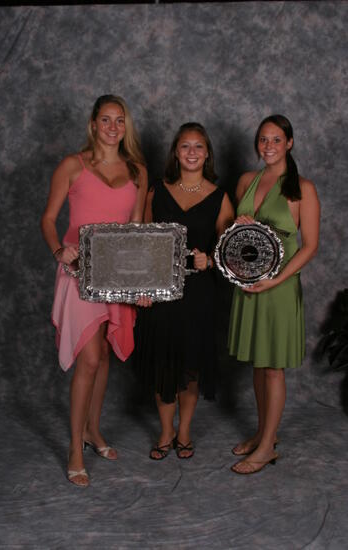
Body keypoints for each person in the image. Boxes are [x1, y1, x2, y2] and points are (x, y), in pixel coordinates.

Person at [41, 95, 148, 487]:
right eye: (106, 119)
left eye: (119, 120)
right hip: (79, 271)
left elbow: (138, 234)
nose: (113, 127)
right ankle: (74, 447)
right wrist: (58, 249)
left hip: (117, 275)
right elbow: (49, 219)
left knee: (103, 354)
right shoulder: (73, 165)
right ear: (93, 123)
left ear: (126, 126)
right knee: (88, 357)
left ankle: (93, 430)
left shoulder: (138, 171)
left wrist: (141, 284)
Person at [134, 122, 234, 460]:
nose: (191, 152)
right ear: (176, 153)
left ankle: (185, 430)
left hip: (199, 294)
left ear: (207, 154)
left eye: (198, 147)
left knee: (191, 366)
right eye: (185, 146)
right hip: (162, 293)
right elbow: (143, 245)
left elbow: (229, 253)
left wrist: (211, 261)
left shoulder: (220, 197)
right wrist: (143, 288)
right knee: (165, 365)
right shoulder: (157, 192)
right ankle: (165, 431)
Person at [228, 114, 320, 474]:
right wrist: (236, 224)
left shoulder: (303, 189)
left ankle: (267, 447)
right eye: (263, 140)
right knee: (257, 361)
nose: (268, 146)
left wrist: (275, 281)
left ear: (290, 143)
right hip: (249, 284)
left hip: (278, 288)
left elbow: (309, 246)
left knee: (272, 369)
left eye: (276, 140)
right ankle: (263, 433)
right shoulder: (246, 181)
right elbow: (232, 234)